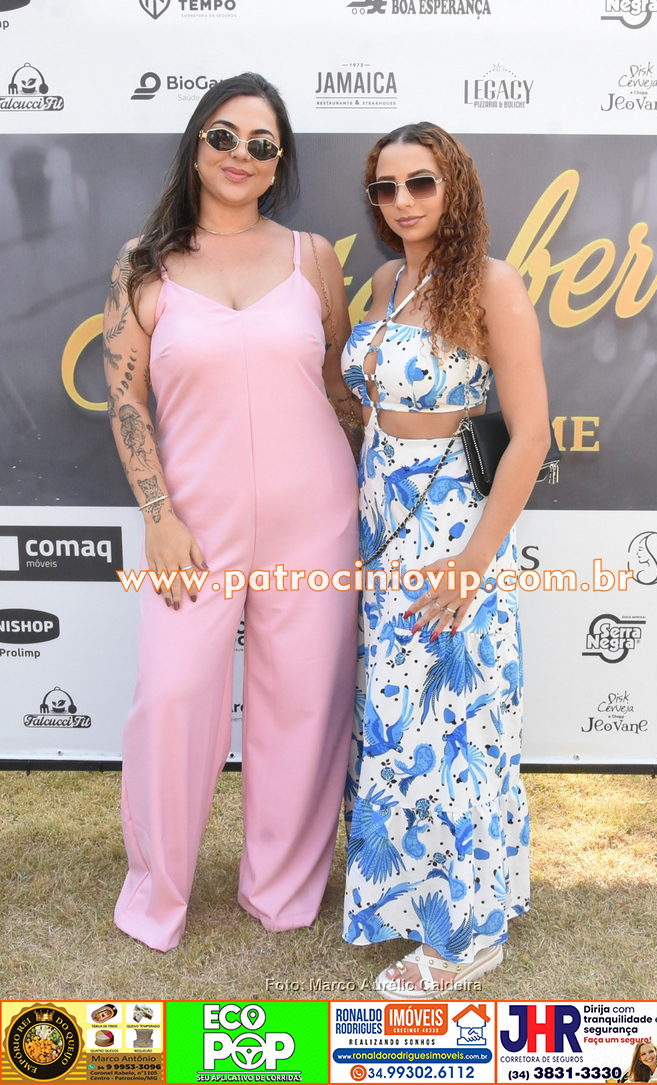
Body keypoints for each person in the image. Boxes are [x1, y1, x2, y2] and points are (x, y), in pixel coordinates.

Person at [103, 73, 359, 952]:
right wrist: (157, 512)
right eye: (224, 135)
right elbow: (127, 401)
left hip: (316, 518)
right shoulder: (142, 264)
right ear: (195, 145)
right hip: (193, 527)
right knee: (171, 698)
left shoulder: (312, 258)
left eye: (261, 143)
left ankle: (282, 891)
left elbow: (338, 391)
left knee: (304, 705)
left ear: (278, 163)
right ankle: (157, 894)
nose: (240, 154)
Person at [341, 122, 552, 997]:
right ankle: (423, 898)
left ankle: (465, 938)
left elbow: (530, 434)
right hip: (383, 528)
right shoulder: (386, 280)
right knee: (402, 729)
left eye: (420, 183)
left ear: (453, 186)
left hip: (452, 534)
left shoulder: (492, 283)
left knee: (454, 729)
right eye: (385, 188)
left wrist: (472, 560)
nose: (402, 202)